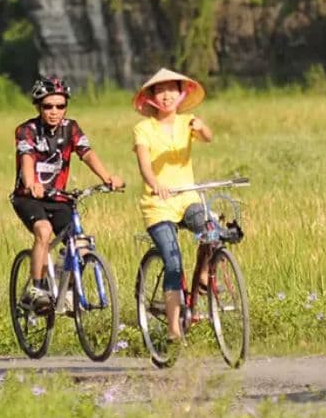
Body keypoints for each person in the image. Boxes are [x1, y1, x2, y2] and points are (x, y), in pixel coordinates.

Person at [12, 75, 124, 310]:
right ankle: (37, 288)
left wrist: (107, 177)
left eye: (60, 106)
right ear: (38, 107)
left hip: (58, 197)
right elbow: (27, 158)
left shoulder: (70, 128)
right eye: (48, 106)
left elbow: (87, 153)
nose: (54, 111)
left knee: (80, 243)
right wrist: (32, 183)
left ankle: (69, 289)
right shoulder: (27, 130)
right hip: (29, 197)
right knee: (43, 231)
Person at [132, 68, 215, 346]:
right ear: (152, 97)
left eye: (171, 89)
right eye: (160, 90)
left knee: (211, 229)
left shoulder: (187, 121)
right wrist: (155, 183)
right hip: (158, 204)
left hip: (187, 197)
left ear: (181, 93)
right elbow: (144, 165)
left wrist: (202, 128)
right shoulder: (143, 129)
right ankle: (172, 328)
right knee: (173, 261)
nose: (166, 95)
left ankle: (203, 273)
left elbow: (208, 138)